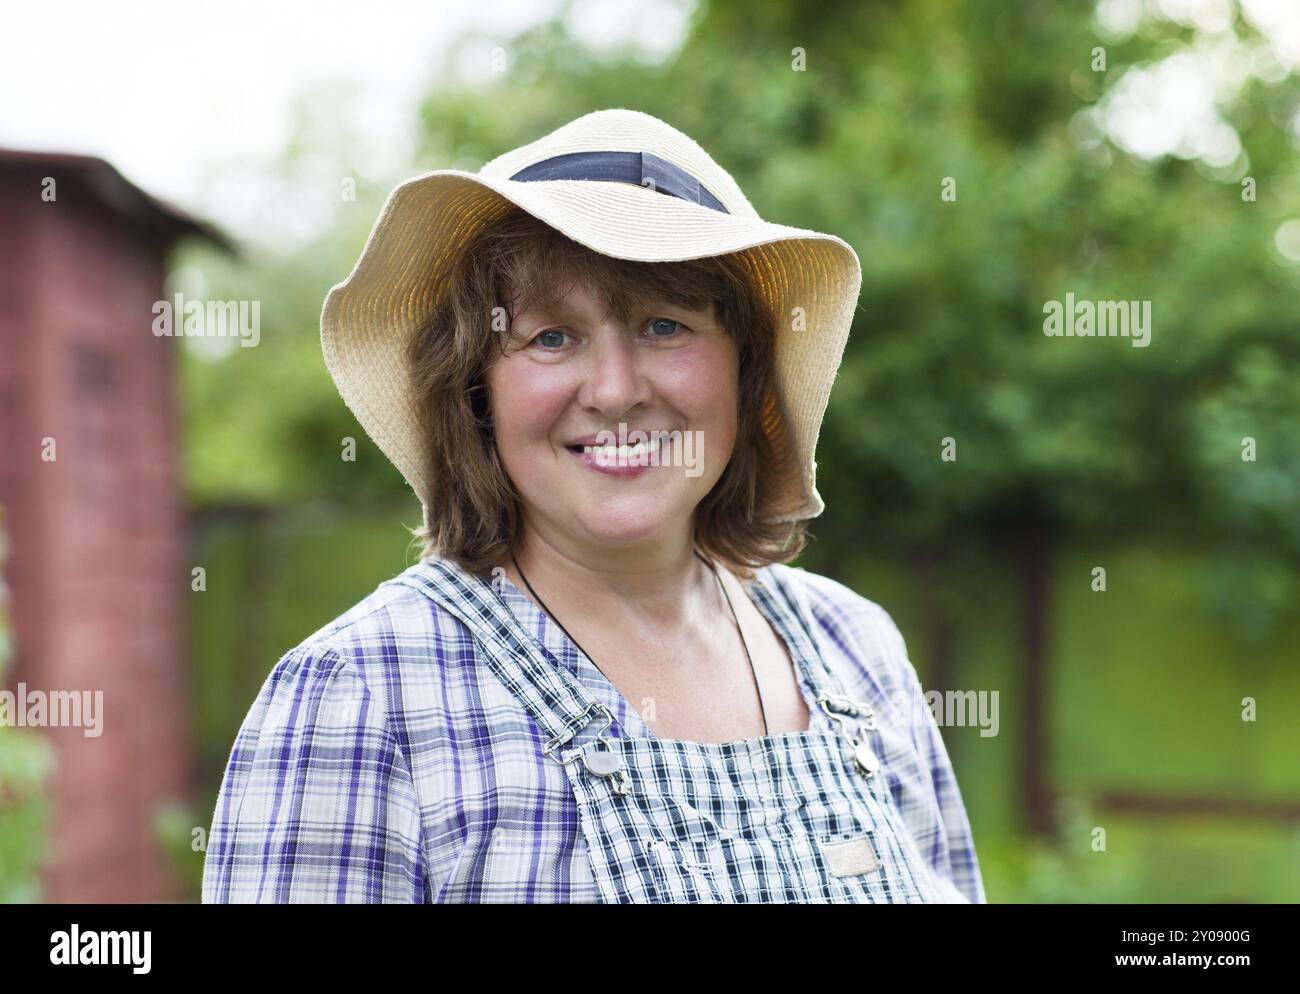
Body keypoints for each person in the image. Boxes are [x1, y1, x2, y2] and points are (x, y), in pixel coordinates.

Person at [201, 108, 986, 903]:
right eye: (552, 337)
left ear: (745, 375)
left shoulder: (856, 650)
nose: (614, 391)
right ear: (477, 393)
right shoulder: (364, 693)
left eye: (664, 325)